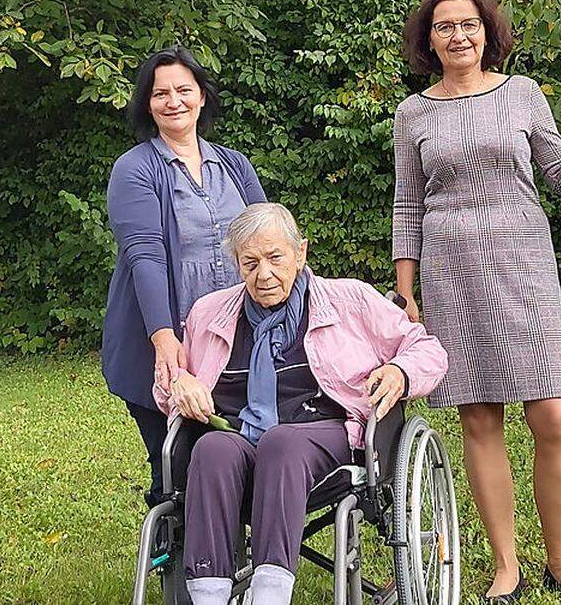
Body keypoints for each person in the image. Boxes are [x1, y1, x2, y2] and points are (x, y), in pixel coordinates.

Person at [391, 0, 561, 601]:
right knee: (478, 416)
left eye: (468, 24)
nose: (457, 36)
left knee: (554, 414)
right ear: (429, 39)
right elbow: (408, 204)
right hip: (451, 271)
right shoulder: (414, 113)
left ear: (488, 31)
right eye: (444, 27)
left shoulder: (523, 95)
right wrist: (406, 291)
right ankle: (506, 565)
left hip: (524, 265)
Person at [156, 202, 447, 604]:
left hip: (321, 435)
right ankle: (209, 594)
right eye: (250, 262)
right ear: (238, 266)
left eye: (275, 257)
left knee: (282, 442)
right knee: (210, 448)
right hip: (238, 438)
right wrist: (181, 383)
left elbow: (427, 349)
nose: (265, 274)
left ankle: (270, 596)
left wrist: (399, 371)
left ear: (301, 252)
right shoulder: (210, 313)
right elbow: (166, 381)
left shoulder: (350, 301)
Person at [101, 46, 267, 509]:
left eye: (183, 90)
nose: (173, 101)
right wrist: (163, 339)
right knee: (176, 464)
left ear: (201, 97)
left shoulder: (234, 164)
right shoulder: (134, 169)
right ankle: (179, 565)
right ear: (147, 104)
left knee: (236, 455)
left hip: (238, 339)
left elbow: (269, 240)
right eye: (160, 93)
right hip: (167, 338)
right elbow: (144, 255)